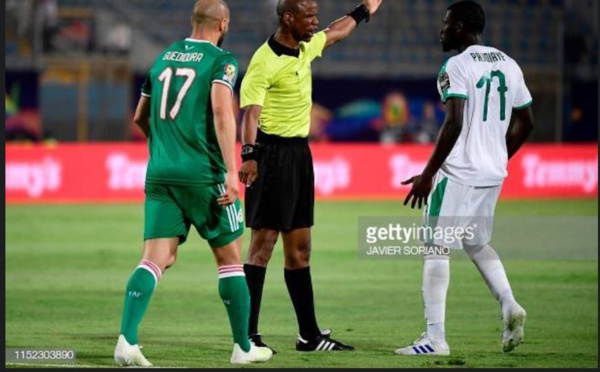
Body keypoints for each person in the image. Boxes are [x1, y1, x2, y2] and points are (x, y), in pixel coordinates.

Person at [113, 0, 273, 366]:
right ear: (224, 23)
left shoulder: (163, 57)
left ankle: (127, 339)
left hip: (160, 173)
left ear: (193, 21)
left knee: (155, 258)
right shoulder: (222, 61)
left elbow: (140, 117)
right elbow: (221, 110)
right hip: (205, 176)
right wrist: (232, 171)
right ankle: (243, 348)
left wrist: (163, 148)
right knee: (230, 260)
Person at [238, 0, 383, 353]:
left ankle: (309, 336)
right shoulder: (264, 60)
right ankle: (247, 336)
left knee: (300, 250)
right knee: (262, 248)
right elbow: (250, 114)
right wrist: (250, 155)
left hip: (299, 156)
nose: (315, 22)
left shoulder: (305, 47)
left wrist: (363, 10)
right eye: (309, 16)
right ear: (289, 17)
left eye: (316, 15)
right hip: (270, 156)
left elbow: (336, 32)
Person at [395, 0, 534, 356]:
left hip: (458, 173)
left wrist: (428, 175)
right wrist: (497, 155)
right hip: (492, 174)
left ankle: (435, 339)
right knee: (475, 243)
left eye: (445, 23)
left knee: (436, 248)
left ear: (459, 27)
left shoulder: (456, 66)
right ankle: (508, 304)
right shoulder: (509, 64)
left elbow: (454, 122)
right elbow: (526, 121)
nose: (440, 29)